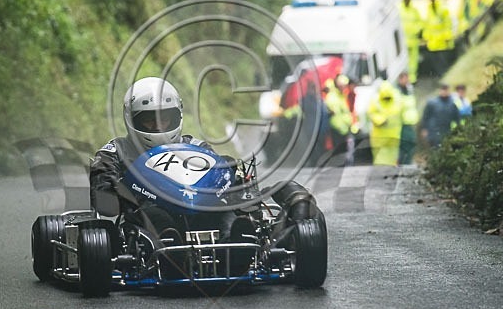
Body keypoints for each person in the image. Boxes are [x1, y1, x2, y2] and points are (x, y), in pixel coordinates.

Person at [90, 77, 321, 236]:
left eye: (165, 118)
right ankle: (166, 251)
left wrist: (230, 173)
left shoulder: (194, 146)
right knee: (157, 218)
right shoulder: (116, 150)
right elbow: (104, 195)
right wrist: (119, 187)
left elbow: (219, 174)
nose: (158, 125)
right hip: (146, 215)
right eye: (149, 119)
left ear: (177, 116)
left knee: (223, 212)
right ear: (133, 120)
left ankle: (240, 242)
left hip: (200, 210)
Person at [366, 81, 403, 166]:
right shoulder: (376, 100)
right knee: (380, 158)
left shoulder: (396, 100)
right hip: (381, 136)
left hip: (391, 136)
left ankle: (387, 171)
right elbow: (371, 114)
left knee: (391, 157)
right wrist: (381, 120)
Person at [422, 0, 454, 75]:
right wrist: (426, 38)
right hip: (433, 43)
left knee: (444, 62)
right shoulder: (428, 10)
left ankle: (446, 76)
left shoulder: (442, 9)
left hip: (442, 41)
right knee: (436, 64)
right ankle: (441, 77)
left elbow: (448, 23)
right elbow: (427, 26)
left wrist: (448, 36)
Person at [420, 83, 461, 148]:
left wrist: (459, 129)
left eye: (446, 90)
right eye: (443, 89)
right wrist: (424, 128)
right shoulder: (432, 103)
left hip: (446, 131)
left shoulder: (452, 104)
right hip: (434, 132)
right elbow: (425, 116)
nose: (444, 92)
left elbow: (457, 117)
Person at [399, 0, 424, 84]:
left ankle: (412, 79)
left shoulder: (414, 11)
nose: (407, 1)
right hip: (403, 42)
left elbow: (420, 23)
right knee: (404, 61)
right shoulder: (399, 10)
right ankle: (404, 79)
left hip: (413, 40)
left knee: (413, 61)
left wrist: (415, 30)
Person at [396, 72, 419, 165]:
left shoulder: (409, 91)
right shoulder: (397, 92)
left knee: (411, 144)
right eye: (405, 78)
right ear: (400, 79)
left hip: (410, 123)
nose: (407, 81)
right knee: (406, 145)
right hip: (402, 124)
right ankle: (403, 164)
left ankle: (406, 163)